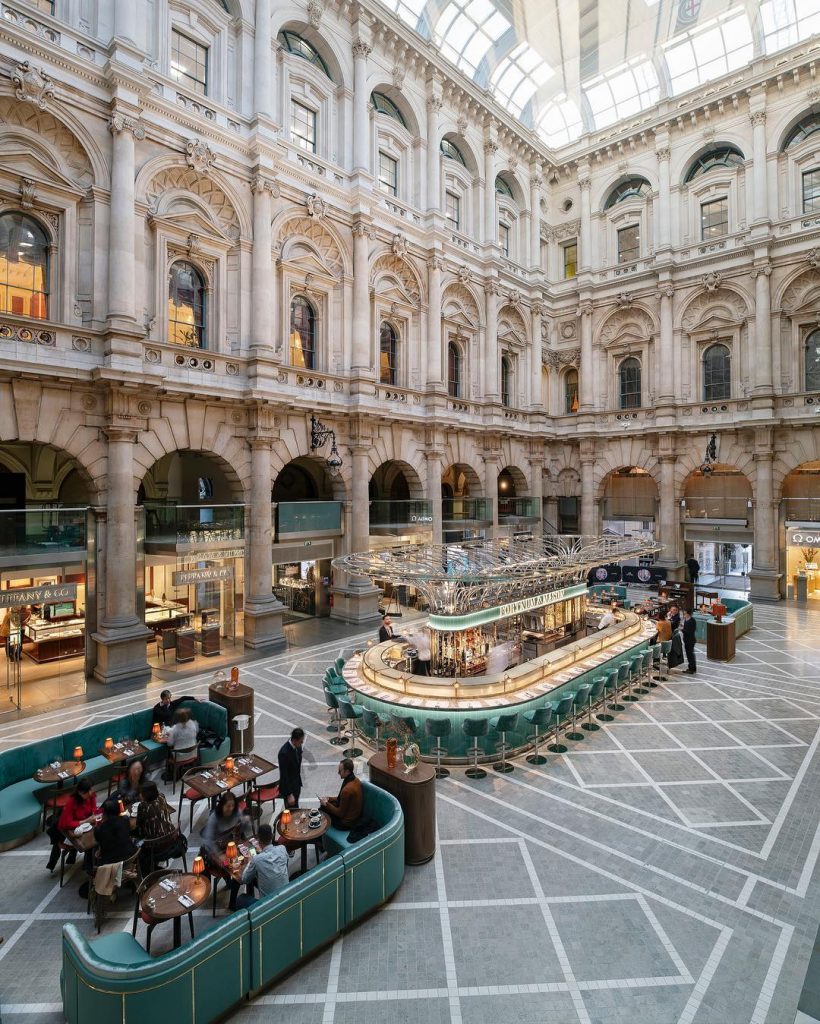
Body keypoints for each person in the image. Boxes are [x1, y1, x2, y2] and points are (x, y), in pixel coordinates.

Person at [201, 791, 252, 910]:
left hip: (232, 847)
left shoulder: (236, 812)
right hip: (215, 852)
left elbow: (244, 829)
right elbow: (207, 840)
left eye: (233, 806)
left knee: (247, 864)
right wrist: (218, 855)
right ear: (222, 805)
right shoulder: (214, 817)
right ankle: (232, 903)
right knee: (237, 871)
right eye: (228, 806)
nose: (231, 809)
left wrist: (245, 821)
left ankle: (235, 892)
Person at [46, 778, 98, 872]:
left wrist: (93, 815)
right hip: (67, 830)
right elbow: (65, 824)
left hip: (85, 826)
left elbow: (94, 807)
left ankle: (89, 865)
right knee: (89, 845)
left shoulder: (91, 795)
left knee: (96, 841)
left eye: (91, 790)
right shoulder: (72, 802)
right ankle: (89, 868)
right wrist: (86, 820)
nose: (91, 793)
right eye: (87, 791)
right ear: (80, 792)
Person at [235, 824, 289, 909]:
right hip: (287, 897)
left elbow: (244, 879)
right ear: (272, 836)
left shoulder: (257, 860)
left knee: (240, 899)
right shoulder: (282, 849)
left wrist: (250, 860)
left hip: (268, 907)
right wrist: (263, 851)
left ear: (258, 840)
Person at [320, 758, 363, 831]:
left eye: (340, 771)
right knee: (326, 805)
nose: (338, 773)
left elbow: (340, 813)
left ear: (347, 771)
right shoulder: (355, 780)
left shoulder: (347, 790)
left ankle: (319, 837)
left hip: (345, 824)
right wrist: (329, 798)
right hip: (354, 817)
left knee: (322, 809)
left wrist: (326, 804)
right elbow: (341, 799)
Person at [94, 798, 137, 865]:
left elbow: (98, 840)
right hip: (131, 855)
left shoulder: (99, 828)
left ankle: (92, 870)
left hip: (112, 863)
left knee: (96, 853)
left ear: (105, 813)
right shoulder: (125, 819)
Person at [278, 727, 305, 809]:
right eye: (301, 741)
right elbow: (284, 775)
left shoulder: (298, 747)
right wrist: (289, 794)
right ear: (295, 740)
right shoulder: (284, 753)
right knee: (291, 811)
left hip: (296, 784)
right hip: (288, 788)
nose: (302, 743)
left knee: (296, 808)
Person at [682, 608, 697, 674]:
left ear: (688, 614)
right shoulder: (687, 620)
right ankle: (692, 667)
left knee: (690, 654)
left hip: (690, 640)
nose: (684, 615)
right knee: (689, 654)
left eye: (685, 613)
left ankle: (692, 668)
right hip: (687, 640)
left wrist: (681, 629)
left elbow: (688, 632)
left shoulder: (691, 621)